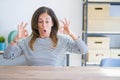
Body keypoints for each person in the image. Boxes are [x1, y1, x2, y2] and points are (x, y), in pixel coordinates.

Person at [3, 6, 88, 66]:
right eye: (40, 22)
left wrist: (71, 34)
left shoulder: (63, 41)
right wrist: (16, 39)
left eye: (47, 21)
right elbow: (7, 56)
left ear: (52, 23)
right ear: (36, 24)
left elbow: (83, 50)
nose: (44, 25)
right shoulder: (26, 42)